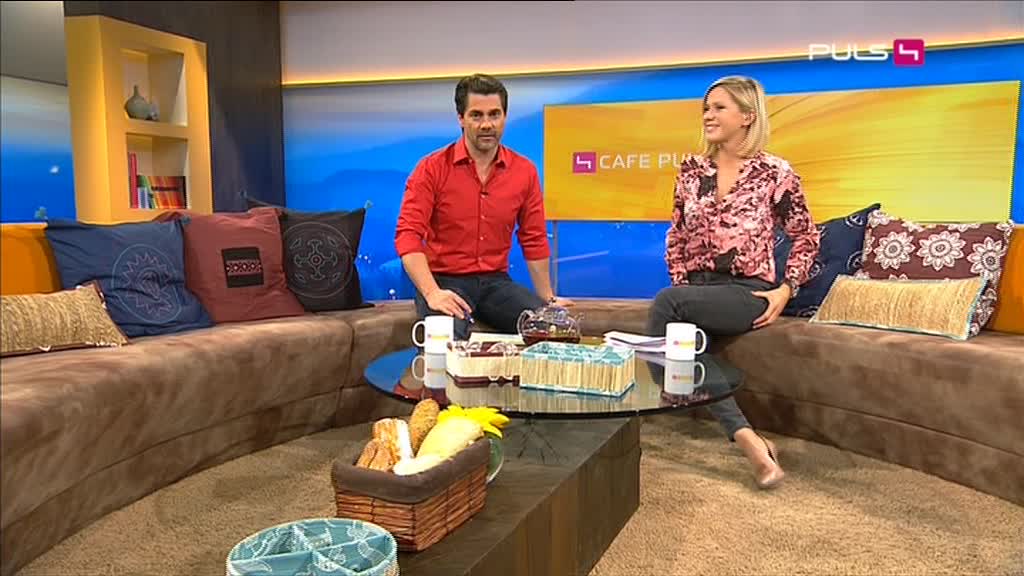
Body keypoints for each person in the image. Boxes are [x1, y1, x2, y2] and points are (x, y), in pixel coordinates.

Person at [647, 75, 821, 489]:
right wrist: (684, 286)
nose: (708, 115)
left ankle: (745, 438)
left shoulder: (775, 172)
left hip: (747, 291)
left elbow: (806, 236)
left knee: (666, 310)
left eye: (719, 108)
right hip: (697, 291)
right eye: (705, 108)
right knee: (673, 345)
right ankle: (751, 440)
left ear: (747, 116)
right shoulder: (691, 171)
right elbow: (677, 235)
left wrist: (785, 289)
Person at [395, 73, 573, 341]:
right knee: (446, 343)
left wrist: (547, 298)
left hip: (496, 284)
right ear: (461, 118)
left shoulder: (524, 172)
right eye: (476, 115)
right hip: (444, 280)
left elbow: (534, 238)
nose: (487, 124)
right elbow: (408, 235)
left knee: (551, 331)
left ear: (505, 117)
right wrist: (432, 292)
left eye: (494, 114)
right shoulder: (431, 169)